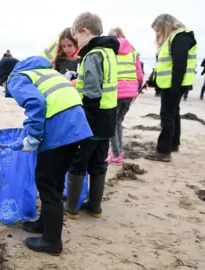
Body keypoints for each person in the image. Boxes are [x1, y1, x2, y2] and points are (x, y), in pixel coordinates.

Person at [0, 56, 92, 255]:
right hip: (77, 126)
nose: (8, 91)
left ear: (5, 78)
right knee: (55, 181)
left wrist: (33, 136)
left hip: (60, 128)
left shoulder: (16, 77)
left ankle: (52, 241)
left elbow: (36, 103)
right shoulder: (43, 70)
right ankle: (44, 224)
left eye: (4, 86)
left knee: (46, 181)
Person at [63, 12, 119, 220]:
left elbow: (93, 90)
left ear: (85, 31)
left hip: (92, 118)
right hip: (108, 118)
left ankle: (71, 207)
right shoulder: (109, 53)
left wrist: (85, 119)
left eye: (76, 38)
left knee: (78, 161)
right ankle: (95, 206)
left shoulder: (94, 54)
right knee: (98, 162)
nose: (76, 42)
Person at [145, 14, 197, 162]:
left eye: (158, 30)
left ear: (166, 25)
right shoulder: (173, 38)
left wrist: (175, 87)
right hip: (169, 83)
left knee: (167, 115)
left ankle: (163, 152)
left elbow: (180, 64)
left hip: (174, 84)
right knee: (173, 113)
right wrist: (152, 79)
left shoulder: (180, 37)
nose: (157, 34)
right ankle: (173, 144)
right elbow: (164, 64)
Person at [107, 27, 144, 165]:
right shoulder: (133, 52)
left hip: (115, 91)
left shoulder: (111, 51)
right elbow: (139, 75)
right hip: (130, 93)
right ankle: (118, 152)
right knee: (118, 122)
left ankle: (116, 155)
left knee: (113, 124)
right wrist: (136, 86)